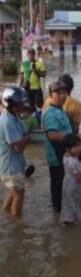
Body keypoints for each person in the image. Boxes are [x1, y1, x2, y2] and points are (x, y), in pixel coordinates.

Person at [42, 81, 73, 212]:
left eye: (64, 93)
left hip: (63, 153)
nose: (62, 96)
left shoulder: (60, 110)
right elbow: (52, 135)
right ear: (50, 95)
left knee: (61, 184)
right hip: (56, 155)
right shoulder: (50, 113)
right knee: (57, 184)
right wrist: (72, 139)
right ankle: (58, 211)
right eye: (58, 93)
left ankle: (60, 211)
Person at [0, 87, 30, 218]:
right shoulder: (7, 121)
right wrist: (26, 138)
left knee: (13, 191)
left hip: (11, 164)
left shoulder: (12, 115)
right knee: (19, 193)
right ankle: (16, 223)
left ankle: (6, 213)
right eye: (18, 104)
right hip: (11, 166)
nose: (21, 106)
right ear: (10, 105)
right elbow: (18, 147)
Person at [60, 134, 81, 225]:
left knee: (68, 204)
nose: (79, 148)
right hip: (74, 187)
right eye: (75, 147)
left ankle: (68, 220)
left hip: (66, 185)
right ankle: (80, 221)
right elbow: (79, 178)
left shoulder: (65, 156)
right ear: (68, 149)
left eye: (79, 145)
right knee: (77, 203)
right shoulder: (74, 162)